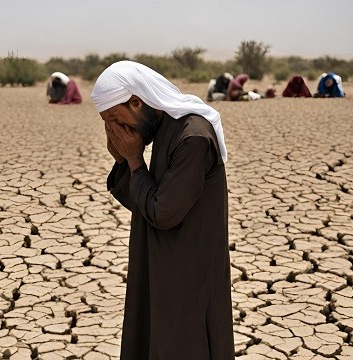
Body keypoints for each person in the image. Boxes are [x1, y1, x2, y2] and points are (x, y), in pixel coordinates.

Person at [91, 60, 234, 359]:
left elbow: (163, 212)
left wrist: (133, 161)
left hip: (187, 276)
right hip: (160, 267)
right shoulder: (164, 130)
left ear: (137, 102)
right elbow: (144, 204)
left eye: (117, 120)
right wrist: (123, 161)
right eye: (107, 124)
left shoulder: (191, 136)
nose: (116, 130)